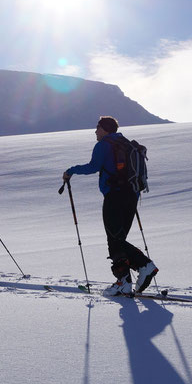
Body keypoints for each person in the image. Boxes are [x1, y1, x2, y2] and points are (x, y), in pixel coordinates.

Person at [63, 116, 158, 296]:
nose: (95, 131)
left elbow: (93, 166)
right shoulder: (127, 144)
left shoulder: (104, 144)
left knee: (114, 239)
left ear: (105, 129)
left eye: (98, 127)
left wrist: (70, 171)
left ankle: (141, 268)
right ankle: (127, 280)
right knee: (118, 239)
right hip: (132, 196)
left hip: (114, 196)